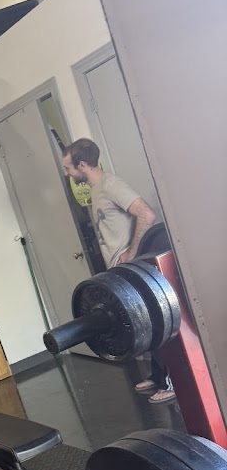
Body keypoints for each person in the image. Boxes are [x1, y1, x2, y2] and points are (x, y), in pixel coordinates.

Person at [61, 138, 175, 405]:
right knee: (146, 325)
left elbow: (146, 214)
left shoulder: (110, 184)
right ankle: (158, 376)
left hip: (136, 269)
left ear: (82, 165)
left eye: (68, 168)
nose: (67, 174)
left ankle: (170, 382)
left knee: (157, 323)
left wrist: (132, 251)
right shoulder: (96, 190)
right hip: (123, 271)